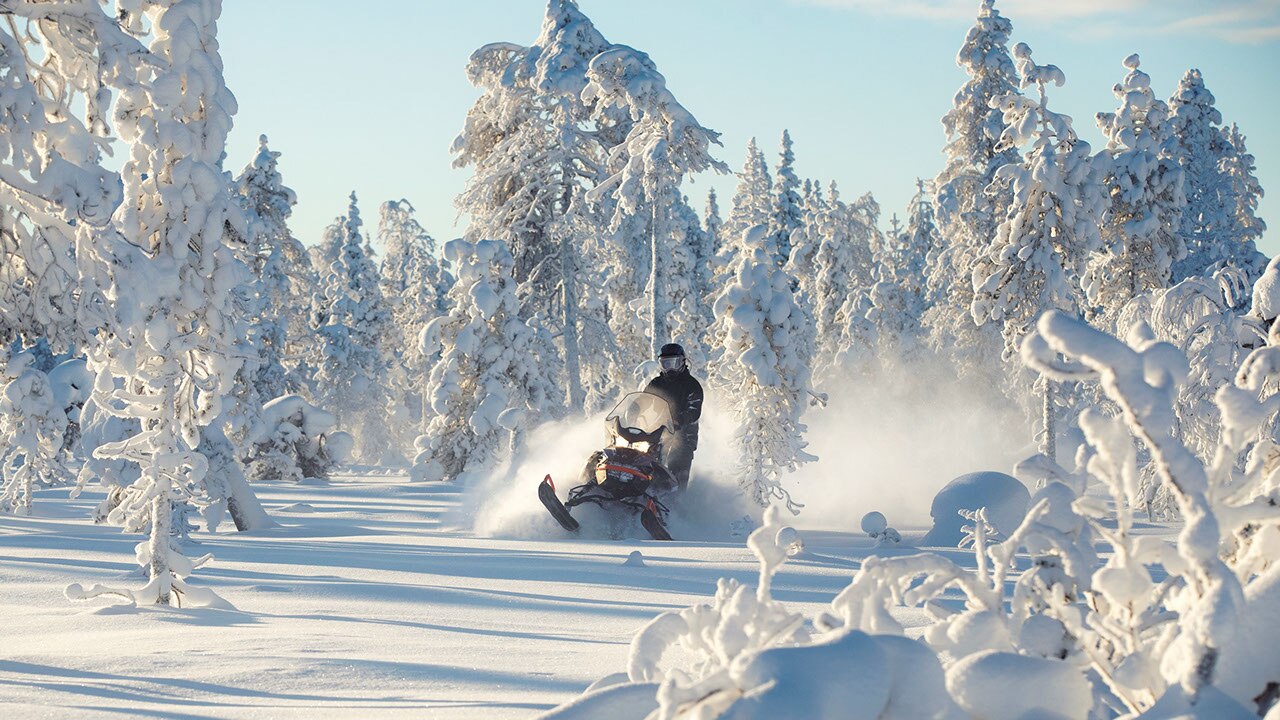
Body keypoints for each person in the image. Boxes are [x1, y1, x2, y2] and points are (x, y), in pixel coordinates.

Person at [643, 343, 703, 491]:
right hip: (658, 431)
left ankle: (677, 505)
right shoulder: (657, 383)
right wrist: (632, 411)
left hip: (684, 434)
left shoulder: (691, 385)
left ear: (682, 362)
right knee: (644, 461)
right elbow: (643, 400)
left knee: (678, 466)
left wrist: (680, 420)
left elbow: (694, 410)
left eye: (673, 363)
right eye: (665, 364)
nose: (669, 368)